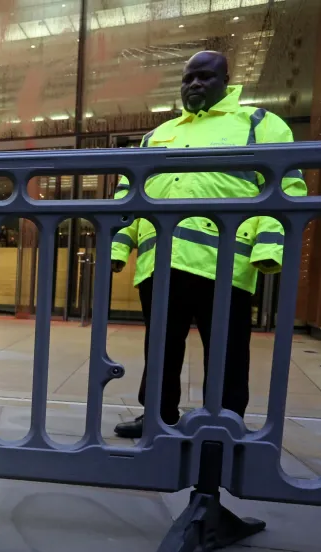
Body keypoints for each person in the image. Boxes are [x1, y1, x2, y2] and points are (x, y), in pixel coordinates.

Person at [110, 51, 307, 439]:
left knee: (228, 350)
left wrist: (268, 248)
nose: (195, 84)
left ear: (227, 81)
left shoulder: (258, 123)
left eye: (204, 77)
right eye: (188, 79)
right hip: (162, 261)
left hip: (225, 263)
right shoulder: (158, 135)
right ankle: (157, 416)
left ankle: (225, 420)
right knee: (161, 347)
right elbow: (128, 193)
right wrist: (119, 247)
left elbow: (286, 187)